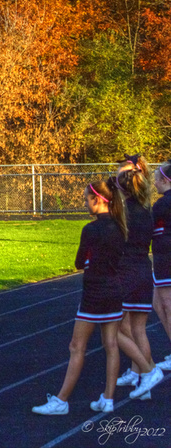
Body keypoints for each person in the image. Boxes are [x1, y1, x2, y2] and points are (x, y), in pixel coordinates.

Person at [32, 178, 163, 417]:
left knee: (76, 346)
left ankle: (61, 401)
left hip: (94, 292)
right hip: (115, 291)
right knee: (111, 344)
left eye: (86, 199)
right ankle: (108, 399)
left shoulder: (90, 229)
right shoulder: (121, 226)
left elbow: (79, 262)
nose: (84, 203)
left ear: (97, 200)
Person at [114, 155, 156, 395]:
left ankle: (148, 370)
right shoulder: (146, 209)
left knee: (115, 327)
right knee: (139, 330)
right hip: (143, 270)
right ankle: (144, 382)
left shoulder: (123, 213)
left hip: (126, 272)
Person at [152, 158, 171, 372]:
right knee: (158, 304)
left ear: (165, 180)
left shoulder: (163, 204)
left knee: (167, 305)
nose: (154, 184)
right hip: (161, 259)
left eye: (156, 180)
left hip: (167, 260)